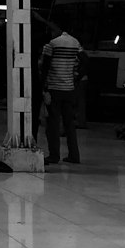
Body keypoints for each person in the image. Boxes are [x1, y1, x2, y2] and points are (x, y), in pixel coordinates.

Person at [40, 21, 87, 164]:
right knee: (69, 124)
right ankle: (74, 155)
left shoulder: (51, 44)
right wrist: (76, 78)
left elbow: (45, 67)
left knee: (53, 124)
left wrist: (43, 87)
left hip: (54, 89)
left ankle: (54, 155)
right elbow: (86, 61)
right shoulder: (75, 42)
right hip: (69, 89)